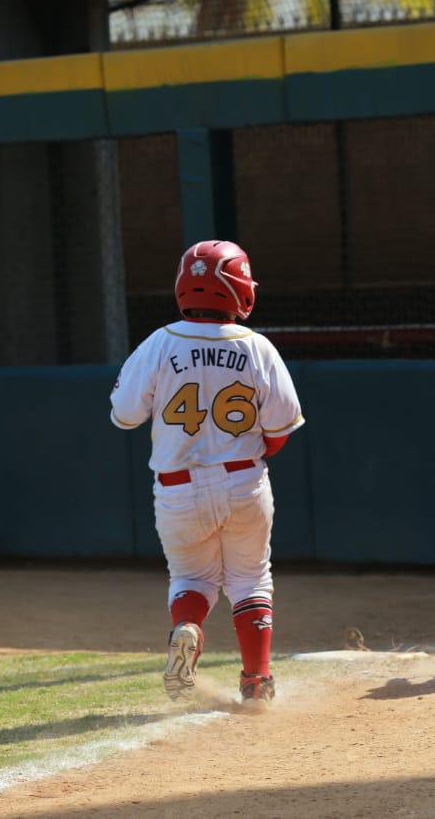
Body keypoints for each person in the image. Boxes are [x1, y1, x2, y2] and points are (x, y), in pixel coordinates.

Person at [109, 240, 305, 702]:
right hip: (242, 479)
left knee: (191, 579)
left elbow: (124, 414)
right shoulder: (257, 347)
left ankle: (188, 628)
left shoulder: (159, 342)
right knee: (249, 579)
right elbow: (280, 429)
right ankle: (256, 681)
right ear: (240, 289)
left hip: (177, 485)